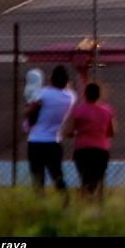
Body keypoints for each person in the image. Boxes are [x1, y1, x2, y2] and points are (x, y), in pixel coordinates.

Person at [26, 65, 76, 196]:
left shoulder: (44, 93)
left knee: (37, 177)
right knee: (57, 175)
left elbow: (29, 110)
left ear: (52, 79)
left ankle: (39, 204)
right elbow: (68, 90)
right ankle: (65, 200)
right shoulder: (71, 96)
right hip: (54, 141)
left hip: (36, 140)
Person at [63, 82, 116, 201]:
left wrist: (79, 131)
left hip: (83, 149)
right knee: (98, 178)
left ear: (85, 94)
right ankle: (96, 202)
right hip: (101, 149)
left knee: (85, 179)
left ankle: (86, 200)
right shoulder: (107, 111)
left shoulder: (78, 111)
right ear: (100, 95)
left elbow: (69, 132)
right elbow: (112, 131)